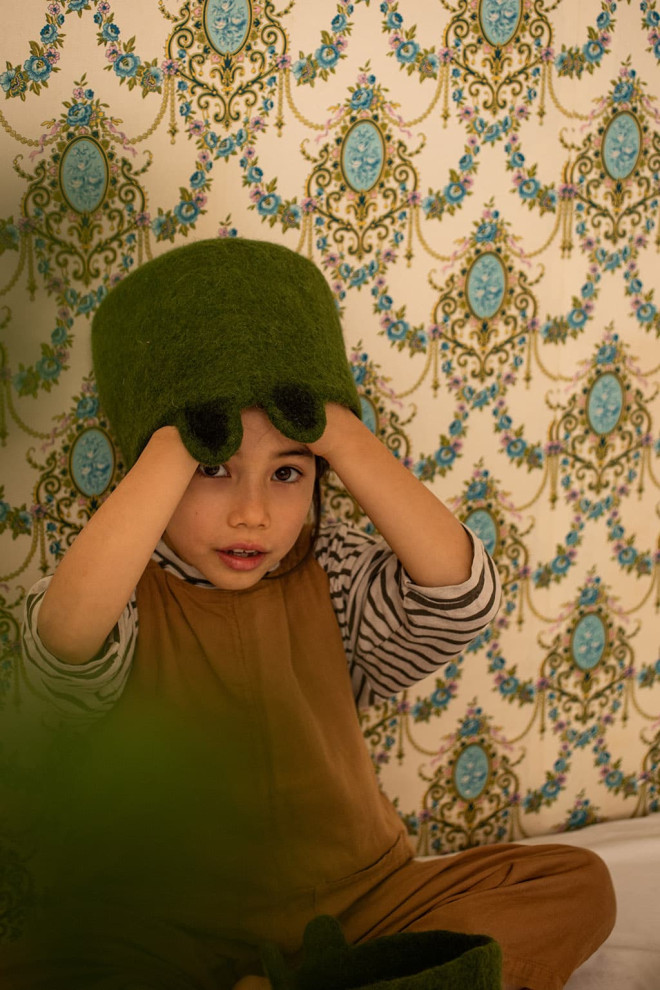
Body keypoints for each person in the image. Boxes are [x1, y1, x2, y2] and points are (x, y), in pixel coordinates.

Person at [2, 240, 615, 990]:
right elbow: (60, 654)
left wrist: (340, 433)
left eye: (289, 471)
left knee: (576, 883)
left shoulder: (332, 569)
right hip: (166, 929)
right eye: (211, 470)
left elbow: (460, 598)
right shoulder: (122, 594)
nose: (253, 513)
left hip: (360, 905)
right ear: (150, 469)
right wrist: (170, 445)